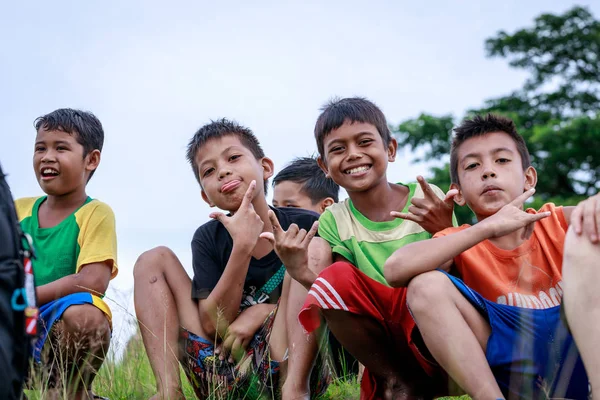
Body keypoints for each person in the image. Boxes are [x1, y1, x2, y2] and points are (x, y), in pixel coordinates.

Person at [384, 113, 598, 399]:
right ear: (456, 193)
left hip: (582, 349)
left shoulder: (557, 221)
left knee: (589, 231)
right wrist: (486, 227)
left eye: (502, 160)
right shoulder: (460, 242)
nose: (488, 171)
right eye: (473, 165)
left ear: (528, 178)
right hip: (512, 367)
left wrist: (594, 204)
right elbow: (396, 269)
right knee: (425, 285)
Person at [262, 97, 457, 399]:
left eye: (364, 142)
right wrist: (298, 271)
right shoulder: (334, 219)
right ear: (324, 166)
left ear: (389, 149)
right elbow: (341, 297)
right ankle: (393, 380)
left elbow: (451, 270)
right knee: (336, 274)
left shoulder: (424, 197)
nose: (353, 155)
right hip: (379, 339)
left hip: (430, 321)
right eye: (338, 149)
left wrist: (443, 230)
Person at [133, 119, 330, 400]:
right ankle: (168, 393)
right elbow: (214, 326)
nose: (223, 171)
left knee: (314, 249)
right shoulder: (207, 238)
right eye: (209, 171)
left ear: (265, 168)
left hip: (288, 362)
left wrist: (262, 311)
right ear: (205, 195)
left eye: (234, 157)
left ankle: (295, 392)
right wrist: (242, 247)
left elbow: (332, 297)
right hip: (220, 371)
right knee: (153, 260)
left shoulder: (308, 223)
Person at [15, 108, 118, 400]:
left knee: (87, 315)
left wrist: (27, 296)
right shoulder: (16, 211)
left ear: (91, 159)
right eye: (40, 148)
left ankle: (70, 392)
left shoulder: (95, 213)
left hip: (55, 328)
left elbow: (93, 281)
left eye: (61, 148)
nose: (47, 156)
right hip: (11, 325)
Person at [272, 156, 360, 378]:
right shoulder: (278, 246)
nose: (281, 215)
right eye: (276, 208)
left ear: (325, 207)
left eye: (290, 207)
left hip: (342, 353)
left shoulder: (340, 247)